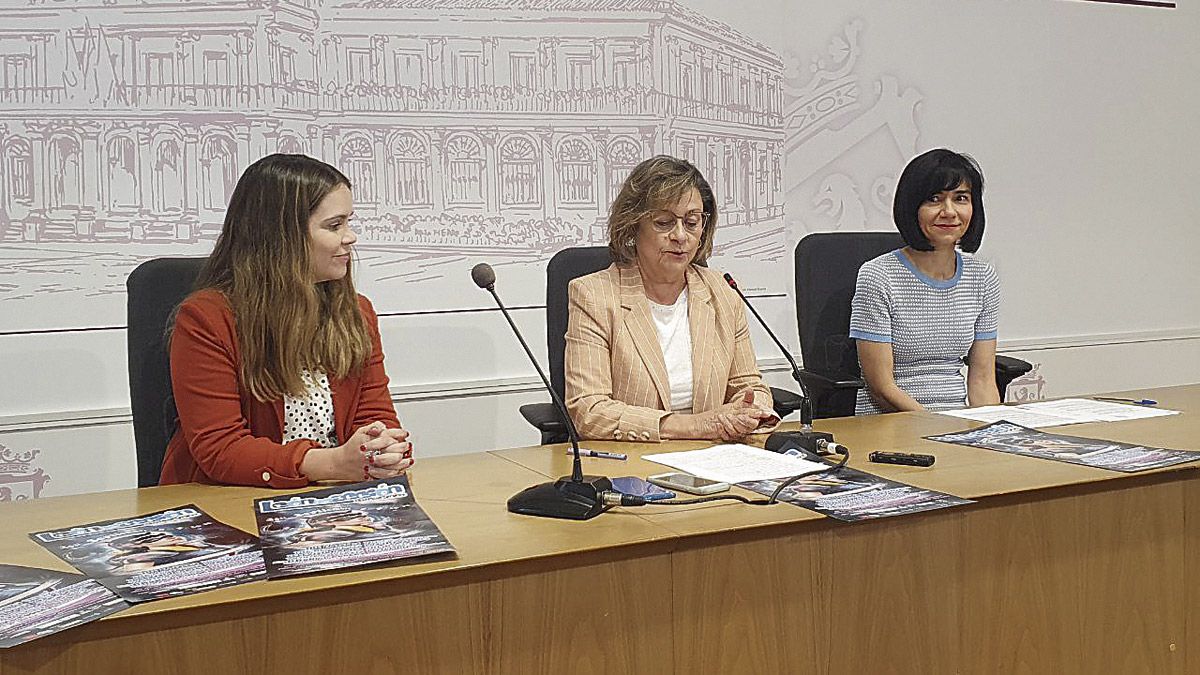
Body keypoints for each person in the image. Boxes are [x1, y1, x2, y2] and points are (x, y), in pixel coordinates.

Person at [159, 154, 412, 487]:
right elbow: (221, 449)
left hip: (333, 500)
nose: (350, 237)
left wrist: (381, 449)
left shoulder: (357, 313)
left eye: (349, 222)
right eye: (335, 226)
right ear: (282, 236)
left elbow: (372, 416)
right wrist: (333, 463)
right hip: (231, 500)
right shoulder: (206, 319)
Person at [564, 155, 777, 442]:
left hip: (714, 457)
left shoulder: (722, 292)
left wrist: (750, 410)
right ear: (632, 226)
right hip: (632, 461)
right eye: (664, 222)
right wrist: (698, 426)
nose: (680, 236)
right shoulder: (594, 296)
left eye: (692, 222)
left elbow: (749, 385)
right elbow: (589, 412)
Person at [850, 148, 1000, 414]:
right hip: (891, 423)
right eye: (934, 199)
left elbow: (983, 379)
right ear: (912, 207)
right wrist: (937, 427)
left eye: (961, 198)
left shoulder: (983, 278)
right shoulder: (878, 276)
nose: (950, 211)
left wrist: (990, 430)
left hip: (957, 422)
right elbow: (881, 387)